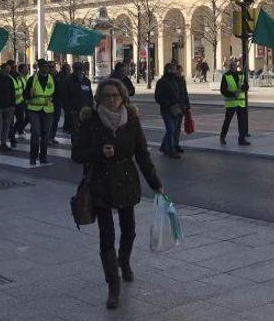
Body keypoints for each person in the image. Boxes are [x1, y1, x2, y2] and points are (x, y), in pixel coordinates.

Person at [73, 78, 163, 309]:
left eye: (115, 95)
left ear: (123, 97)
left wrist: (155, 182)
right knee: (107, 236)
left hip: (126, 180)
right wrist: (98, 152)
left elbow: (142, 153)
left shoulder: (131, 120)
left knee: (130, 230)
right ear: (99, 98)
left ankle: (124, 260)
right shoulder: (90, 121)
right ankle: (113, 285)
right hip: (101, 184)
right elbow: (77, 154)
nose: (111, 100)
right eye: (107, 96)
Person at [25, 59, 55, 165]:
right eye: (43, 66)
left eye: (47, 66)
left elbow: (56, 93)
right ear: (39, 67)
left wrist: (53, 99)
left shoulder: (52, 78)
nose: (46, 68)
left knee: (45, 134)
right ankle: (33, 157)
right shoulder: (32, 79)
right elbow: (25, 95)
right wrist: (29, 94)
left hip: (48, 110)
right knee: (36, 133)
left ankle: (43, 157)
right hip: (34, 110)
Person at [155, 63, 185, 158]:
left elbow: (181, 93)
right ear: (168, 70)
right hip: (166, 109)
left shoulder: (175, 80)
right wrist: (168, 103)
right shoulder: (162, 82)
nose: (175, 71)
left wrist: (183, 105)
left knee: (173, 129)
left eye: (176, 69)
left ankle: (164, 146)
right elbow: (158, 97)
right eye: (173, 69)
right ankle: (171, 151)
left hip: (175, 108)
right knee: (171, 130)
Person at [219, 60, 249, 145]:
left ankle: (242, 139)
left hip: (240, 103)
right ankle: (222, 137)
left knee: (242, 122)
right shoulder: (226, 76)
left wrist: (242, 88)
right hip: (231, 103)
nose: (233, 67)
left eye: (234, 65)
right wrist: (232, 94)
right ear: (229, 66)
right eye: (231, 65)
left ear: (236, 66)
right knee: (227, 121)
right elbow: (223, 90)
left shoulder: (241, 75)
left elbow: (246, 86)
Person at [65, 62, 93, 145]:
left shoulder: (86, 81)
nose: (79, 71)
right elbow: (65, 97)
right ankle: (76, 150)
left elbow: (90, 95)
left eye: (80, 69)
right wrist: (69, 109)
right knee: (75, 132)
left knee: (86, 130)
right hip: (74, 110)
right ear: (74, 70)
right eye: (77, 69)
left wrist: (90, 108)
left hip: (85, 110)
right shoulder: (69, 80)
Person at [0, 62, 16, 151]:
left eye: (8, 70)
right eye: (6, 70)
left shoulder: (9, 80)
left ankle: (3, 143)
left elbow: (12, 93)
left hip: (8, 106)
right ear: (2, 69)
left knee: (6, 126)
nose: (7, 72)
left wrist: (13, 105)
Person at [11, 63, 30, 144]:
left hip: (23, 101)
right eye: (26, 68)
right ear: (22, 69)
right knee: (20, 119)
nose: (28, 69)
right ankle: (14, 132)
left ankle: (19, 130)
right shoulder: (18, 78)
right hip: (18, 102)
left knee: (26, 118)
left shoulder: (27, 77)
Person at [174, 64, 190, 155]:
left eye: (181, 71)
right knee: (173, 128)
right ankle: (171, 146)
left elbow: (185, 93)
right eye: (178, 71)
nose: (180, 72)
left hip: (181, 106)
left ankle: (175, 145)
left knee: (177, 127)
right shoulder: (171, 80)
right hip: (173, 107)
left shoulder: (182, 80)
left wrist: (187, 105)